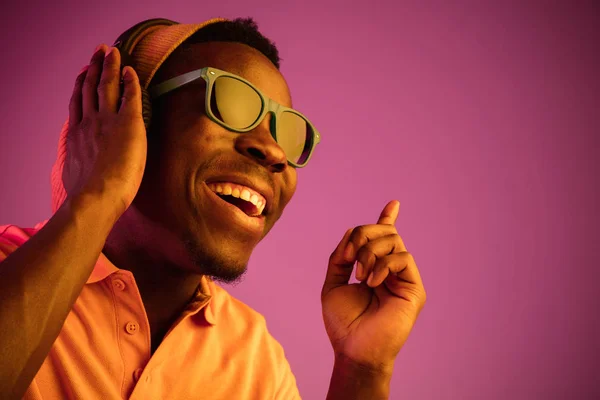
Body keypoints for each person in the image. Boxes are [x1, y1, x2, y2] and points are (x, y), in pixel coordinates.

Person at [0, 17, 426, 399]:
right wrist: (97, 193)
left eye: (288, 133)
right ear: (132, 119)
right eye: (231, 103)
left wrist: (362, 369)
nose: (275, 151)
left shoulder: (257, 360)